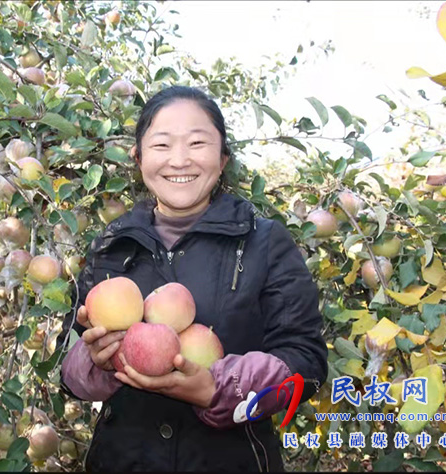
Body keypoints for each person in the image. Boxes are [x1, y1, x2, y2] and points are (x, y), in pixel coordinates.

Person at [59, 85, 328, 472]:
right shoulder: (111, 246)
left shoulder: (264, 241)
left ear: (222, 159)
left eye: (198, 143)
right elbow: (66, 370)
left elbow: (308, 362)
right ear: (138, 158)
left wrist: (217, 389)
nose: (180, 160)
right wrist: (95, 362)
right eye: (162, 145)